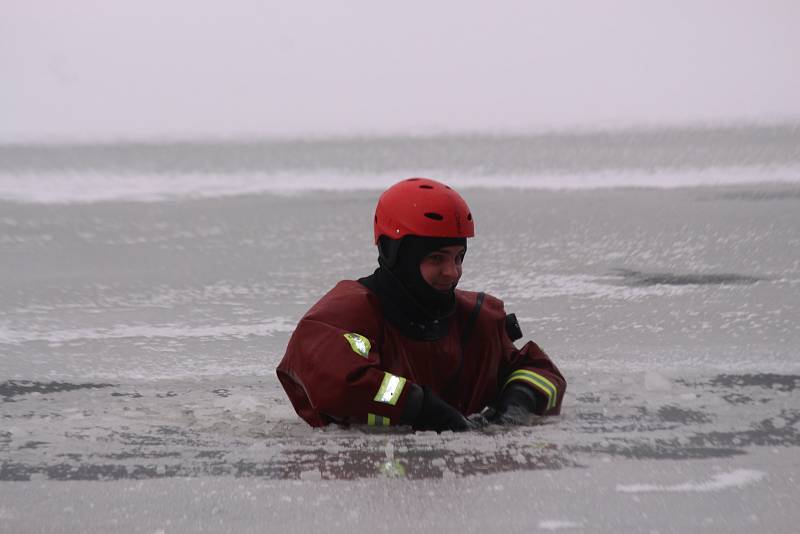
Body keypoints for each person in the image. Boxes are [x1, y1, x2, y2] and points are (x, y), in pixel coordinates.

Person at [276, 177, 565, 431]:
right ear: (395, 255)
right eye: (436, 258)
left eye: (458, 257)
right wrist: (419, 407)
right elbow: (340, 384)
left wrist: (517, 405)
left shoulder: (478, 321)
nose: (452, 272)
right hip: (380, 482)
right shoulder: (340, 319)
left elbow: (544, 375)